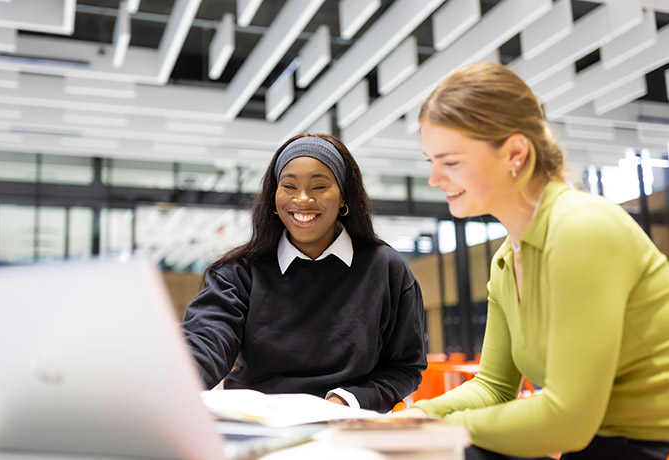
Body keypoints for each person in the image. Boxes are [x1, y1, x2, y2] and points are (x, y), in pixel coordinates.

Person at [397, 62, 669, 460]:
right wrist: (417, 415)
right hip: (598, 445)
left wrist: (438, 430)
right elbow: (493, 386)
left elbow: (567, 420)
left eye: (450, 162)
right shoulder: (508, 259)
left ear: (515, 153)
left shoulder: (581, 229)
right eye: (431, 161)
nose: (434, 179)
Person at [181, 133, 427, 412]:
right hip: (257, 424)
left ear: (343, 194)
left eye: (319, 186)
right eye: (289, 186)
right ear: (274, 195)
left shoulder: (386, 269)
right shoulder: (238, 273)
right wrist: (175, 379)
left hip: (346, 424)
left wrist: (346, 400)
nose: (302, 199)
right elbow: (206, 339)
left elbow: (405, 367)